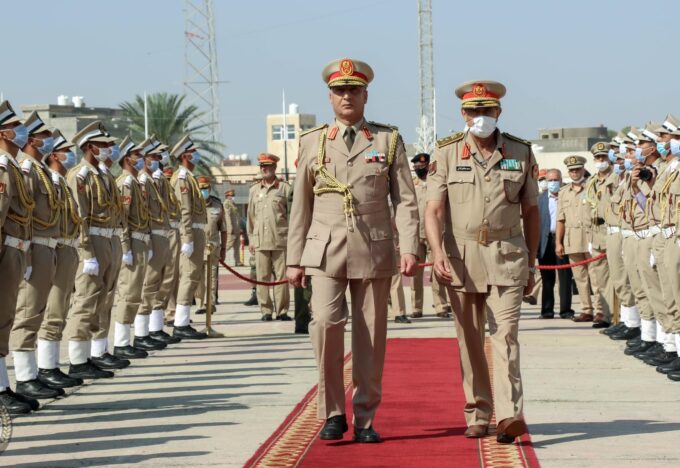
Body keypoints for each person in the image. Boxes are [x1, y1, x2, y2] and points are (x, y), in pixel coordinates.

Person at [287, 58, 419, 443]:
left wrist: (410, 247)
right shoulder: (312, 141)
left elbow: (406, 200)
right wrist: (294, 259)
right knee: (325, 326)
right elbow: (301, 205)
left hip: (373, 248)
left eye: (354, 90)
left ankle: (365, 417)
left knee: (370, 336)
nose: (347, 96)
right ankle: (332, 412)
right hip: (325, 250)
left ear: (365, 95)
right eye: (340, 90)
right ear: (330, 97)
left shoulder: (387, 140)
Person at [426, 80, 539, 444]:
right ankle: (478, 411)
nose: (481, 116)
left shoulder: (520, 151)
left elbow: (531, 211)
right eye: (474, 111)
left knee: (506, 337)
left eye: (487, 110)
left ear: (499, 112)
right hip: (461, 257)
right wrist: (437, 253)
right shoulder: (446, 153)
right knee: (470, 340)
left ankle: (508, 415)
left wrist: (532, 263)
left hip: (508, 255)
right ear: (463, 114)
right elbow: (434, 209)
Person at [66, 121, 126, 380]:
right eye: (103, 145)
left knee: (103, 301)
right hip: (92, 242)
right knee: (86, 301)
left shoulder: (103, 175)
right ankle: (77, 360)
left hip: (109, 240)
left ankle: (93, 353)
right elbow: (79, 218)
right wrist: (87, 253)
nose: (108, 149)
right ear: (90, 147)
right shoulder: (80, 176)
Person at [10, 112, 64, 401]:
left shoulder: (39, 170)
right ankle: (24, 377)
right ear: (31, 140)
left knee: (39, 311)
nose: (49, 141)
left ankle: (34, 373)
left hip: (47, 245)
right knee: (27, 313)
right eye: (44, 137)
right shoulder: (25, 169)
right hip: (31, 246)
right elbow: (24, 215)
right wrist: (28, 256)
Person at [36, 129, 84, 391]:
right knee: (51, 311)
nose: (70, 155)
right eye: (65, 151)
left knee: (61, 309)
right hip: (54, 248)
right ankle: (45, 368)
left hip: (67, 248)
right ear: (54, 155)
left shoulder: (61, 183)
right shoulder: (50, 182)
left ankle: (52, 366)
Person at [0, 100, 40, 414]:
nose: (21, 131)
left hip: (15, 248)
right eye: (15, 127)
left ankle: (4, 386)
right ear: (3, 133)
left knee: (5, 320)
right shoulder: (3, 166)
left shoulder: (12, 166)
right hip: (5, 248)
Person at [556, 155, 606, 323]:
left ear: (583, 169)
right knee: (580, 278)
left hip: (591, 238)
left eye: (577, 169)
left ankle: (601, 310)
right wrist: (558, 242)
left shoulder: (593, 186)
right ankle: (586, 310)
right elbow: (560, 219)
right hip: (572, 240)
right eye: (571, 170)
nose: (575, 172)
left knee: (596, 277)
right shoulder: (563, 192)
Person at [169, 135, 208, 339]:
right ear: (185, 156)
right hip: (190, 232)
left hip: (197, 231)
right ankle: (181, 323)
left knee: (193, 276)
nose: (196, 155)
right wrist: (188, 239)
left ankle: (182, 321)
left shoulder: (189, 177)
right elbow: (184, 211)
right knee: (189, 275)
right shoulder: (182, 178)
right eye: (193, 152)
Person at [247, 154, 291, 321]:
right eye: (262, 166)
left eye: (267, 166)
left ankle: (282, 310)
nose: (264, 169)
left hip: (280, 239)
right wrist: (252, 239)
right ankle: (266, 310)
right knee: (262, 277)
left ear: (274, 167)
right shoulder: (254, 190)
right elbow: (251, 217)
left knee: (282, 277)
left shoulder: (285, 188)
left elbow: (291, 215)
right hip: (260, 241)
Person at [410, 152, 451, 318]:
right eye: (416, 166)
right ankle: (416, 307)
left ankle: (441, 306)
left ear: (428, 166)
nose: (419, 169)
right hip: (416, 234)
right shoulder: (412, 185)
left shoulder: (436, 183)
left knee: (438, 271)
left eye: (422, 166)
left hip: (434, 235)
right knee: (415, 274)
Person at [584, 142, 614, 328]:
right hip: (596, 234)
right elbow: (587, 208)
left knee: (617, 279)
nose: (601, 160)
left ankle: (619, 318)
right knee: (601, 279)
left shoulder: (616, 178)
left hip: (611, 232)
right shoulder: (591, 182)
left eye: (604, 157)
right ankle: (605, 315)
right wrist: (589, 237)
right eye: (597, 157)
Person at [537, 169, 574, 319]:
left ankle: (565, 310)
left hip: (563, 241)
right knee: (547, 278)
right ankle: (547, 310)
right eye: (550, 180)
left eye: (556, 180)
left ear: (561, 180)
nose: (553, 183)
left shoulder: (567, 196)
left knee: (565, 277)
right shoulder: (540, 199)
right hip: (546, 242)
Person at [196, 176, 227, 314]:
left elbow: (223, 229)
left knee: (212, 277)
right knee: (198, 277)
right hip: (197, 247)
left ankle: (210, 303)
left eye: (205, 188)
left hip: (212, 247)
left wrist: (224, 249)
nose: (203, 191)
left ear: (209, 189)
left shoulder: (217, 205)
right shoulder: (193, 204)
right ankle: (200, 303)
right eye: (200, 189)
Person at [223, 189, 242, 266]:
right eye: (232, 195)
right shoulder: (226, 203)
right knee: (228, 245)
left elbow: (237, 217)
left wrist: (239, 228)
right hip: (232, 229)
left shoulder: (233, 204)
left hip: (236, 228)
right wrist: (230, 228)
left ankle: (237, 261)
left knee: (237, 246)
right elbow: (227, 217)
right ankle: (218, 258)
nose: (233, 197)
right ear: (227, 196)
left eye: (234, 195)